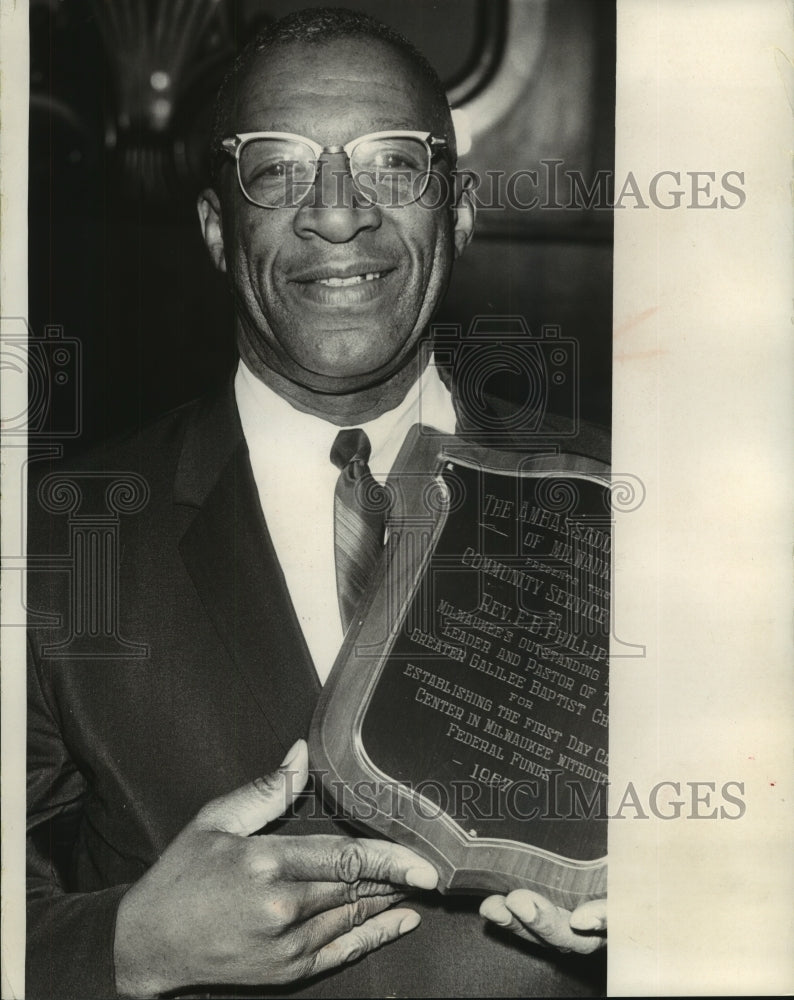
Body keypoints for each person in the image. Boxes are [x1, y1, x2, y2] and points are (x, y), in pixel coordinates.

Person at [26, 8, 607, 998]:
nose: (337, 212)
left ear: (457, 211)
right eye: (277, 165)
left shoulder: (632, 506)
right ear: (216, 228)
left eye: (391, 162)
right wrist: (124, 946)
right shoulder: (59, 535)